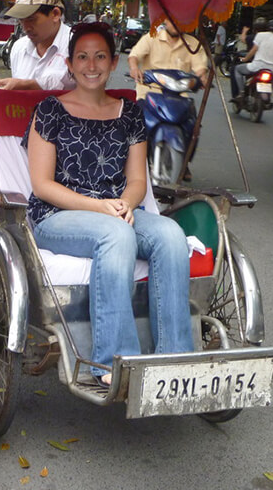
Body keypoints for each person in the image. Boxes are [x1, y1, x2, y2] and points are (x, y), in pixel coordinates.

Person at [24, 21, 194, 387]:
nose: (91, 64)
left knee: (169, 233)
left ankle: (174, 359)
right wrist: (98, 207)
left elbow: (136, 181)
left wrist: (126, 204)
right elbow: (41, 185)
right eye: (82, 56)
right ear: (69, 64)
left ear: (114, 61)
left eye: (100, 56)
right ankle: (115, 363)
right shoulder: (49, 111)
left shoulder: (129, 112)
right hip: (57, 216)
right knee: (116, 236)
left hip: (116, 210)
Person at [0, 0, 75, 91]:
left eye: (31, 19)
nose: (25, 28)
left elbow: (71, 84)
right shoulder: (19, 48)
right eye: (21, 20)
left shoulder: (79, 47)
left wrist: (27, 85)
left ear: (55, 14)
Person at [128, 17, 209, 100]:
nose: (176, 24)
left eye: (181, 21)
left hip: (178, 95)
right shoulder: (151, 37)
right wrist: (134, 68)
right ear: (165, 20)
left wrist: (202, 78)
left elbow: (200, 67)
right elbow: (134, 55)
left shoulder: (193, 44)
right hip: (148, 92)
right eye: (173, 20)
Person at [231, 18, 273, 100]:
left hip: (257, 66)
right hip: (272, 69)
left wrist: (245, 59)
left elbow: (253, 50)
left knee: (237, 69)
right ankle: (268, 96)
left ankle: (241, 92)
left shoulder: (260, 35)